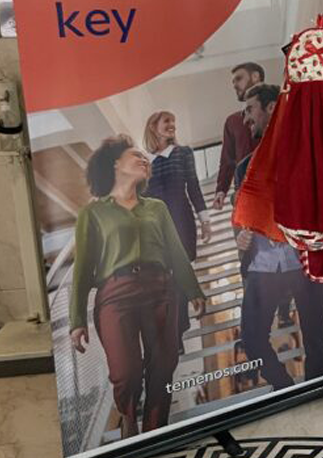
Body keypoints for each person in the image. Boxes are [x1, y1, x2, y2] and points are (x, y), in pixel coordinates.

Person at [69, 136, 205, 438]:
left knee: (164, 364)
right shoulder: (92, 213)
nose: (145, 159)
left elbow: (176, 251)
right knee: (126, 373)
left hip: (160, 289)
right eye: (136, 155)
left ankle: (155, 435)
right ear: (115, 162)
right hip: (115, 295)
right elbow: (81, 269)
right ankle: (130, 420)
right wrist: (77, 320)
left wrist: (193, 290)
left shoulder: (156, 207)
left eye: (145, 156)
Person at [235, 84, 323, 391]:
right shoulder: (242, 169)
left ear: (272, 108)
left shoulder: (308, 151)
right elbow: (243, 217)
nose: (246, 118)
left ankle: (317, 393)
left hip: (304, 260)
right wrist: (241, 237)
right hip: (263, 266)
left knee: (316, 336)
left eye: (251, 109)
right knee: (251, 337)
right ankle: (285, 389)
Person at [144, 110, 211, 346]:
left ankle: (177, 333)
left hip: (182, 220)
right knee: (166, 279)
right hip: (156, 227)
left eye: (174, 121)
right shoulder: (145, 162)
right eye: (167, 122)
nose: (172, 125)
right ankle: (177, 327)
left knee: (180, 273)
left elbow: (193, 186)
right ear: (153, 127)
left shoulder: (184, 153)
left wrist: (205, 220)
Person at [213, 62, 264, 211]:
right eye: (233, 82)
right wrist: (221, 190)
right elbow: (227, 160)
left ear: (255, 76)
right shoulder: (232, 122)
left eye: (239, 78)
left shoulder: (281, 108)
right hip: (246, 197)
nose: (234, 85)